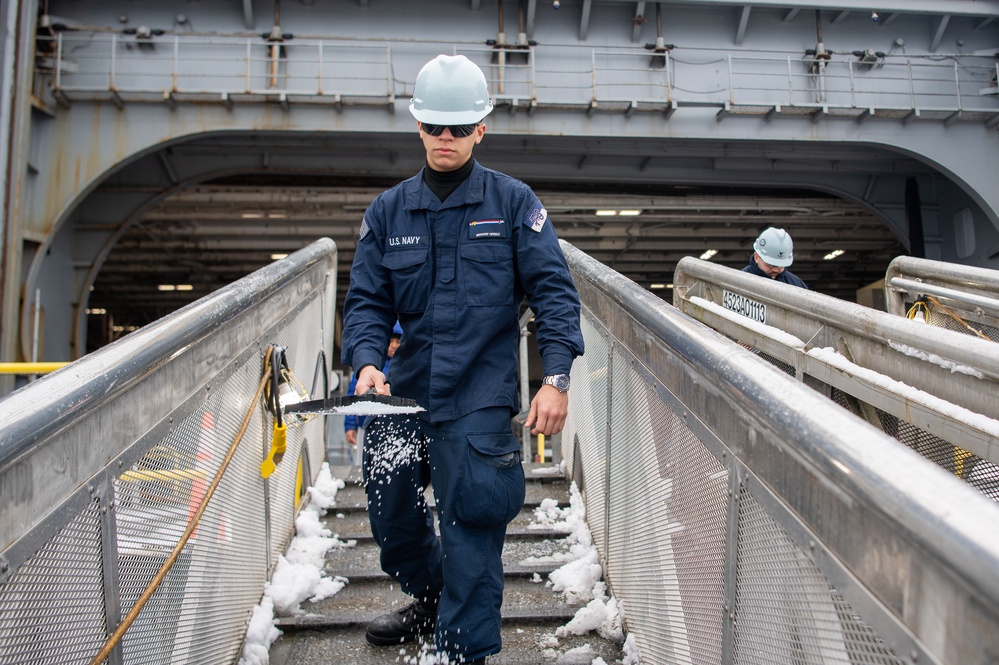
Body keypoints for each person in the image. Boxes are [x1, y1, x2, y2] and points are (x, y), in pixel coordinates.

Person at [340, 54, 585, 664]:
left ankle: (462, 651)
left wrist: (555, 379)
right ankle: (428, 595)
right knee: (392, 522)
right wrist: (368, 360)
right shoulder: (387, 212)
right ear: (418, 127)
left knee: (472, 530)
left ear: (481, 127)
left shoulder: (512, 203)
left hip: (479, 398)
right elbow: (367, 300)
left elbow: (555, 295)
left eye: (458, 127)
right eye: (433, 127)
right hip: (402, 396)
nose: (444, 139)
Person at [343, 321, 402, 460]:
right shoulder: (371, 365)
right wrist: (350, 425)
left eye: (398, 341)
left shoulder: (406, 367)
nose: (393, 345)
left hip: (397, 426)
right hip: (367, 424)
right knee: (366, 461)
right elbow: (354, 394)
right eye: (390, 341)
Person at [742, 226, 808, 288]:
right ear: (756, 257)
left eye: (780, 266)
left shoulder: (796, 285)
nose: (775, 270)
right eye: (770, 264)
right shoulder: (740, 282)